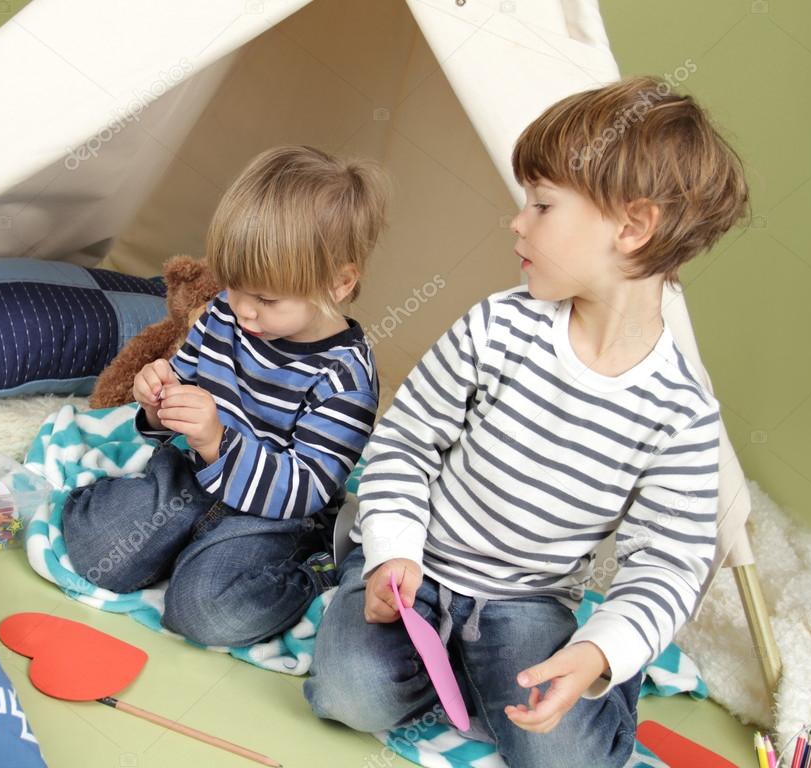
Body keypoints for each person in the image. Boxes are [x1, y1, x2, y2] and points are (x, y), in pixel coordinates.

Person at [304, 76, 749, 768]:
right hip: (418, 563)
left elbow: (668, 562)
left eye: (540, 205)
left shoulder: (682, 411)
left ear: (631, 228)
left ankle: (583, 689)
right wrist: (392, 548)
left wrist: (597, 654)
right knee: (348, 695)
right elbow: (403, 443)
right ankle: (378, 593)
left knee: (562, 756)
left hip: (526, 600)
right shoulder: (495, 326)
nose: (517, 222)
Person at [62, 145, 388, 648]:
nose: (243, 312)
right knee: (97, 550)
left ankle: (311, 570)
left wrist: (218, 441)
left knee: (205, 614)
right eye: (234, 287)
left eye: (266, 299)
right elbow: (183, 383)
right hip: (188, 476)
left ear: (340, 284)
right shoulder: (225, 312)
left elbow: (307, 488)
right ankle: (181, 542)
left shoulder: (345, 376)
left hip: (274, 514)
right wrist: (156, 400)